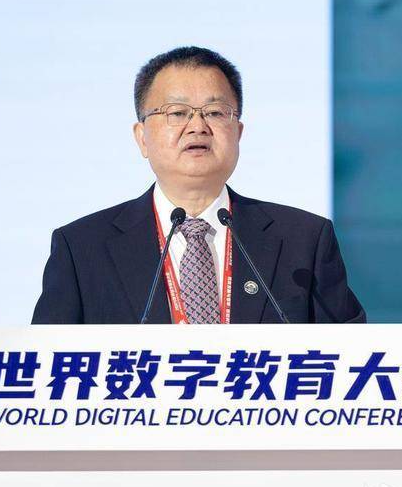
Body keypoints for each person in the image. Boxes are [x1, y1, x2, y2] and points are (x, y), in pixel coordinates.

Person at [32, 46, 365, 325]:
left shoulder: (304, 240)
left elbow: (355, 358)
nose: (197, 126)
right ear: (142, 137)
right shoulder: (82, 248)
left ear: (238, 133)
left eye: (215, 112)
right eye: (177, 113)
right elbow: (44, 366)